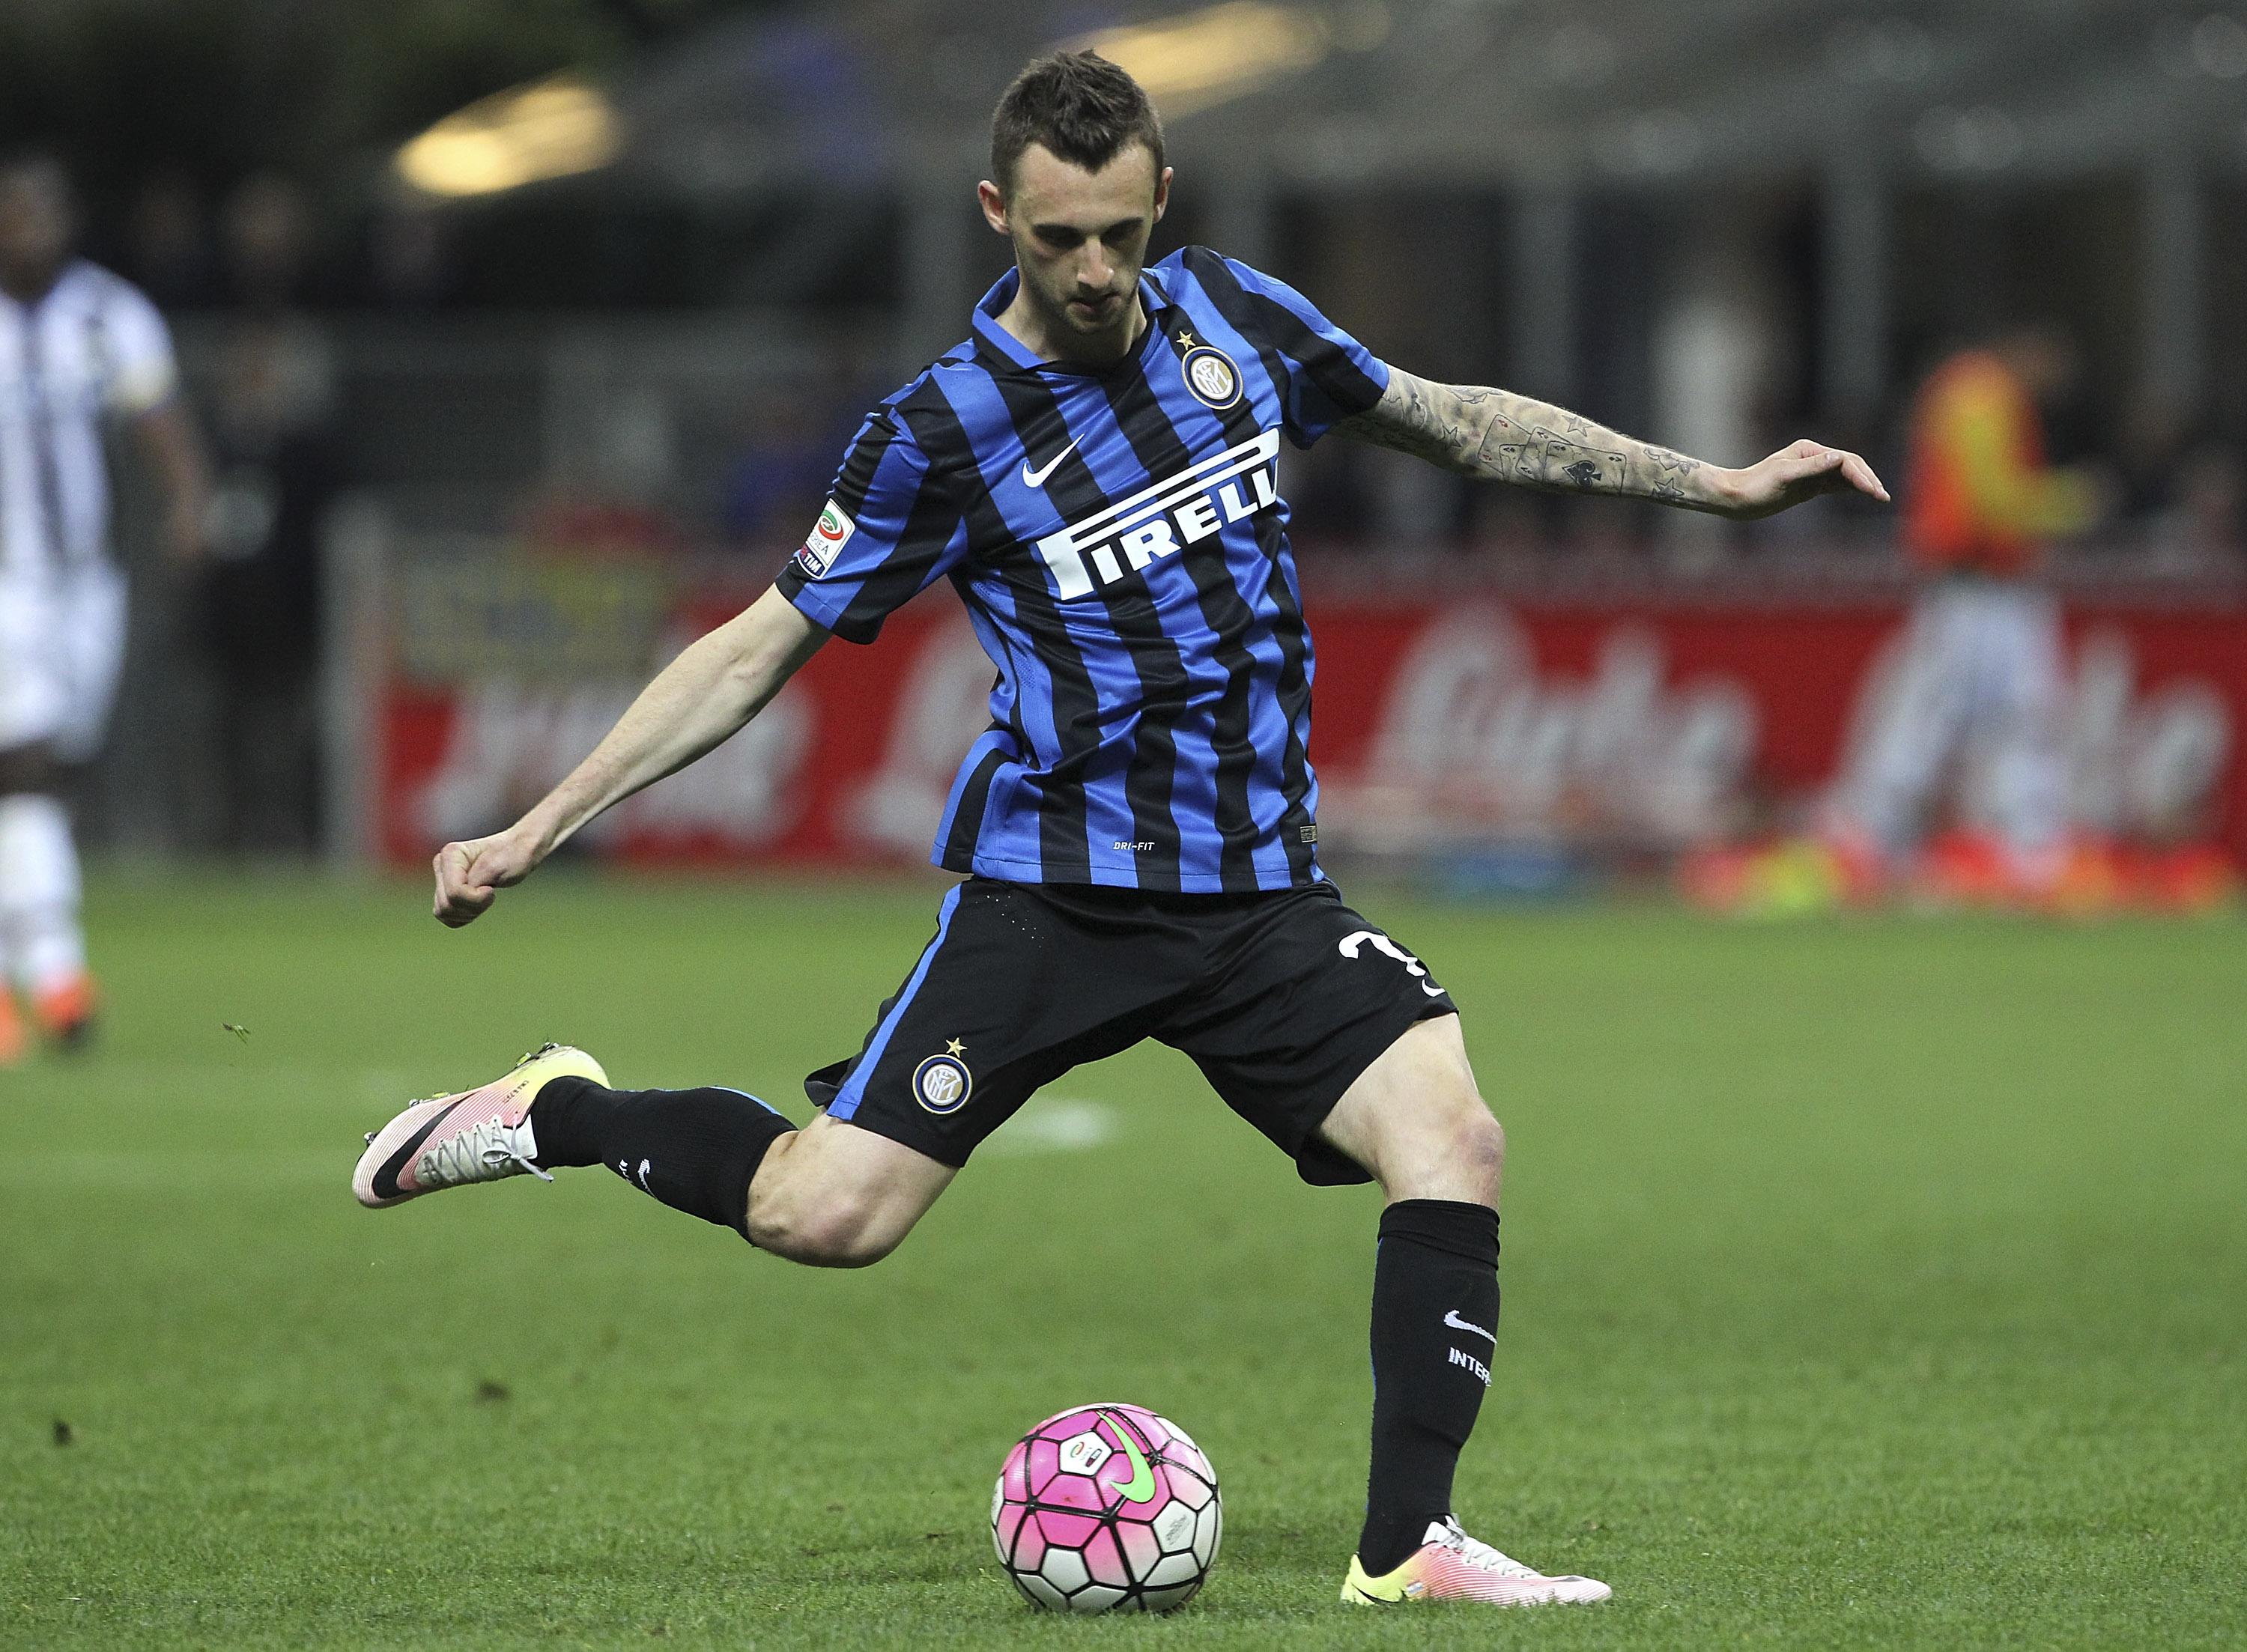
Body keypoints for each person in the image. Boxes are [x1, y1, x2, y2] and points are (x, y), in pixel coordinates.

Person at [354, 53, 1884, 1608]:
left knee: (1455, 1138)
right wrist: (539, 824)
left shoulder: (1238, 319)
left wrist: (1718, 487)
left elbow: (1451, 421)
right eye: (1055, 238)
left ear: (1163, 198)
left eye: (1117, 233)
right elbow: (755, 648)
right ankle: (562, 1110)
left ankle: (1407, 1545)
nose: (1092, 270)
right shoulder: (938, 432)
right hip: (1056, 899)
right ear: (995, 214)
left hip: (1262, 896)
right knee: (825, 1217)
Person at [0, 148, 209, 1063]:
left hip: (88, 580)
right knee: (25, 764)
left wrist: (189, 501)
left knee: (59, 770)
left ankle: (20, 974)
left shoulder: (107, 312)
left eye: (45, 212)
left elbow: (159, 420)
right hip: (6, 580)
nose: (31, 230)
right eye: (16, 213)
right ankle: (58, 974)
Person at [1820, 326, 2101, 905]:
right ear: (2029, 348)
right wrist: (2073, 502)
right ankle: (1863, 845)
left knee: (2025, 720)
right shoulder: (1979, 393)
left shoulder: (1983, 392)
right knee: (1928, 726)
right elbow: (1992, 501)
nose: (2057, 381)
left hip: (2001, 592)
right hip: (1971, 593)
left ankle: (2034, 858)